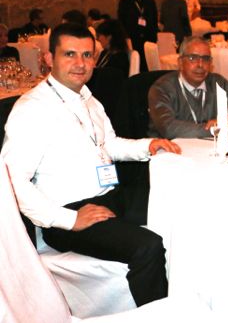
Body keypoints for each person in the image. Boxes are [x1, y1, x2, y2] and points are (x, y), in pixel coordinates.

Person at [1, 22, 181, 307]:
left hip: (109, 196)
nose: (80, 63)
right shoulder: (32, 110)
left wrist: (147, 146)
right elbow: (12, 182)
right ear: (49, 58)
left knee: (177, 208)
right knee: (148, 247)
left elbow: (107, 144)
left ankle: (186, 297)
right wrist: (69, 220)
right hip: (69, 213)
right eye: (69, 54)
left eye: (87, 55)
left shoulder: (88, 99)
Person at [147, 36, 228, 139]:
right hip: (170, 147)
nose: (200, 65)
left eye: (205, 59)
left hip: (210, 146)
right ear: (180, 62)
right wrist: (215, 129)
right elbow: (168, 128)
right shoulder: (162, 89)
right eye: (193, 58)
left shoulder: (219, 83)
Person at [117, 0, 159, 72]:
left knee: (147, 63)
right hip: (132, 37)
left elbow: (154, 20)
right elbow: (121, 21)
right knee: (134, 63)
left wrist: (154, 35)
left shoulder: (150, 2)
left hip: (148, 37)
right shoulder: (124, 2)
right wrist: (125, 37)